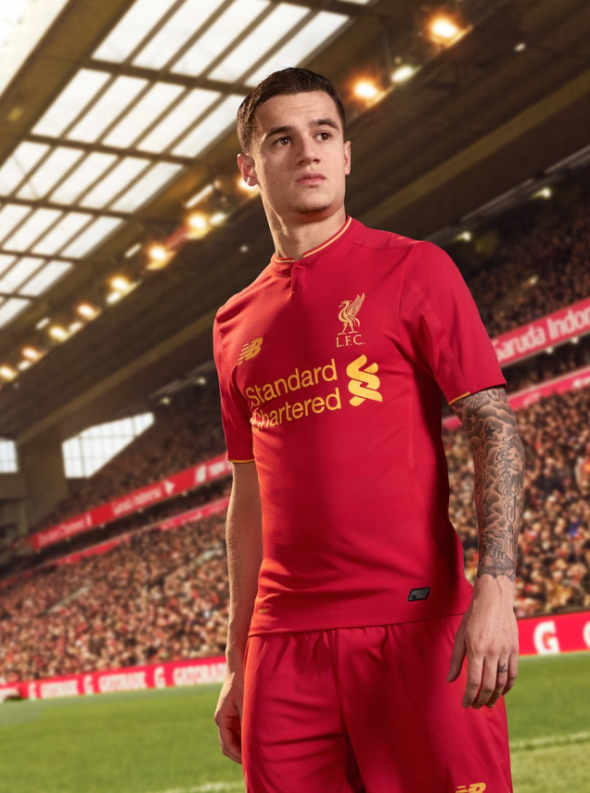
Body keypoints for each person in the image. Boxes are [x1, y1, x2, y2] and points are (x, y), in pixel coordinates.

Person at [212, 67, 523, 793]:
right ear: (249, 169)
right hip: (283, 646)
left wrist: (498, 585)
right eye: (282, 139)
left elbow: (493, 426)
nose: (308, 151)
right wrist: (237, 657)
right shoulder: (232, 323)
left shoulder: (415, 268)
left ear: (346, 154)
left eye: (323, 133)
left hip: (417, 623)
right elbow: (247, 497)